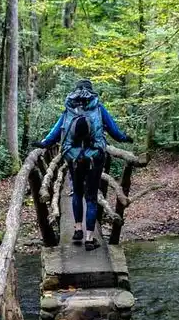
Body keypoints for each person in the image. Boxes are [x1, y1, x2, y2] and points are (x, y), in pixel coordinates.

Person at [32, 80, 133, 251]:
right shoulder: (98, 108)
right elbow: (114, 131)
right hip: (95, 157)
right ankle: (89, 238)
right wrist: (125, 138)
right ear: (91, 91)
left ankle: (78, 229)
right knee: (92, 198)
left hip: (73, 157)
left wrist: (43, 143)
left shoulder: (69, 109)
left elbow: (55, 133)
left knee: (77, 193)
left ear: (76, 91)